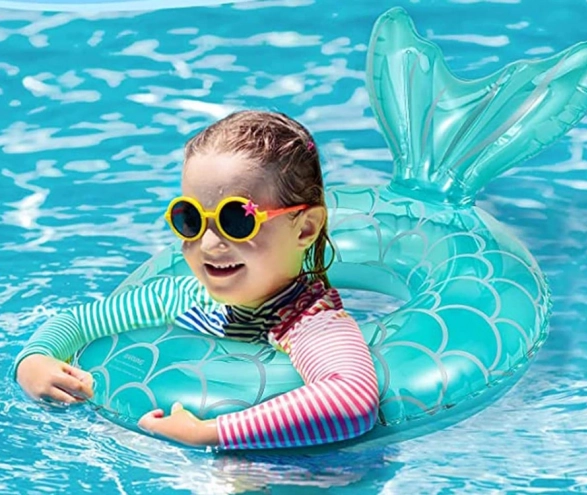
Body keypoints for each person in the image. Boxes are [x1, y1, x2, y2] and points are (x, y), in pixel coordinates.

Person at [12, 110, 380, 449]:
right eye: (190, 218)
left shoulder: (313, 325)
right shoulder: (181, 296)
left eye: (237, 220)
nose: (208, 243)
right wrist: (34, 361)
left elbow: (351, 401)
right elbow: (79, 321)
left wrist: (212, 432)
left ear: (306, 229)